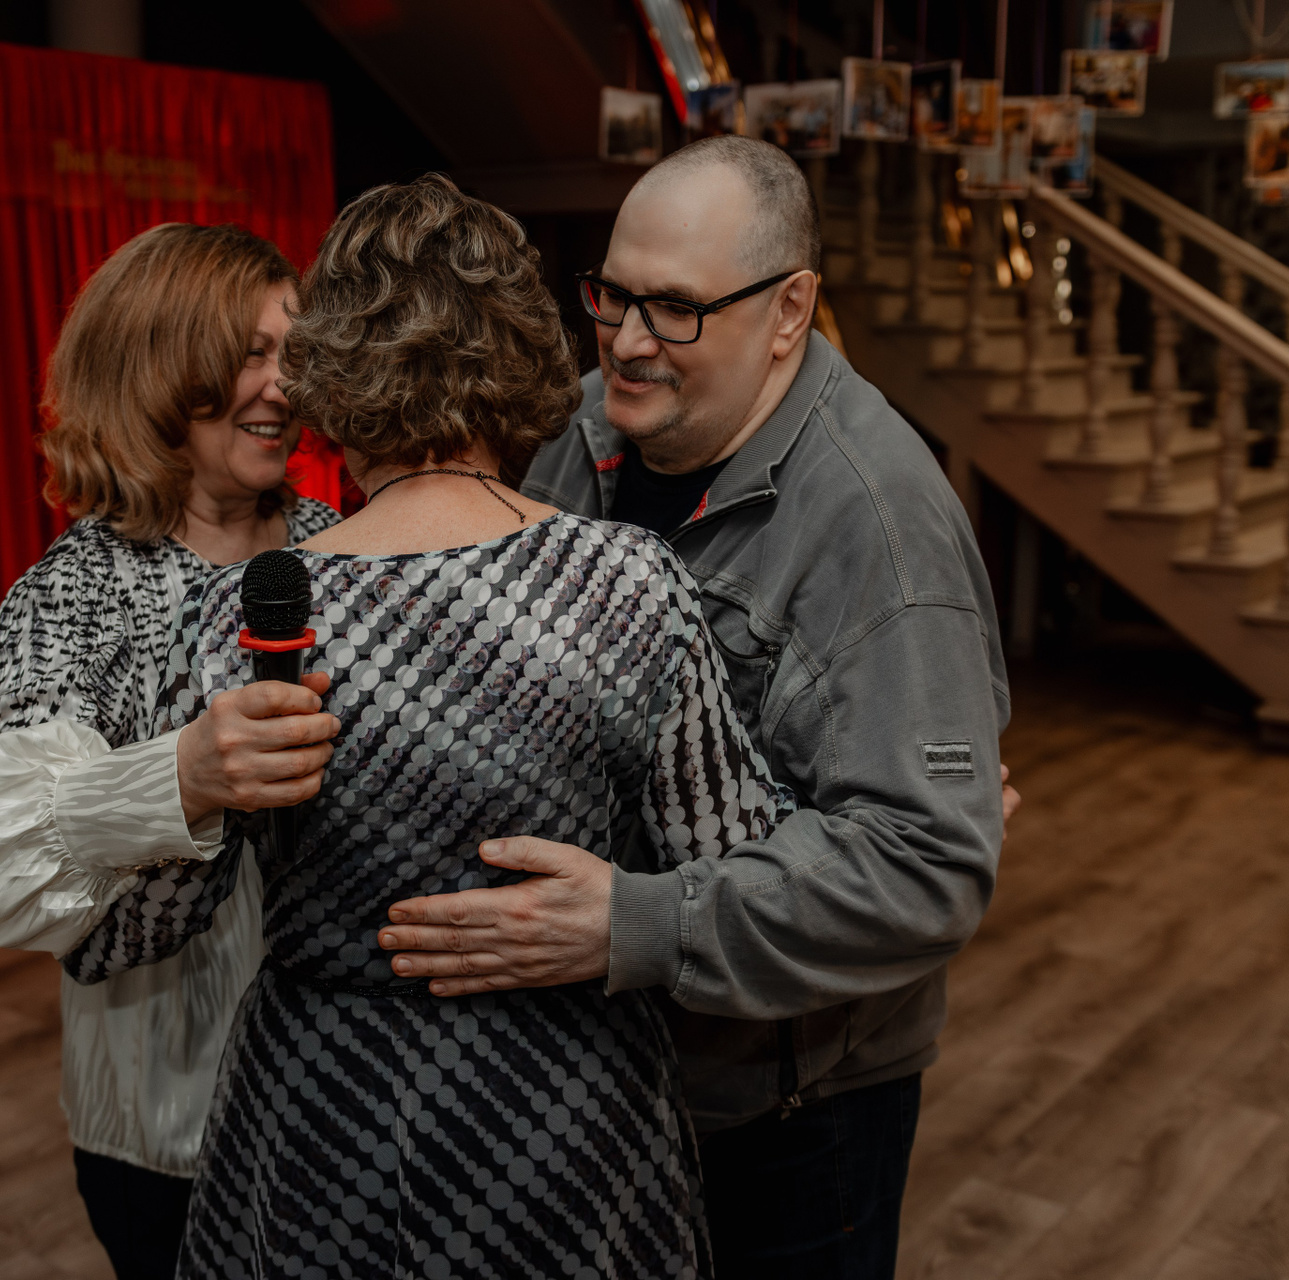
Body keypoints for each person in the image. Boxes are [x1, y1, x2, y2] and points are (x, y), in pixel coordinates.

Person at [59, 173, 797, 1278]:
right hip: (560, 1105)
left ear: (329, 371)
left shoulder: (245, 610)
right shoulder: (626, 583)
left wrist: (173, 785)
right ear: (521, 350)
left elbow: (123, 934)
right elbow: (736, 863)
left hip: (319, 1114)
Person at [375, 136, 1016, 1278]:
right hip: (594, 1075)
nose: (628, 340)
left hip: (786, 1118)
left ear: (788, 311)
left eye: (675, 309)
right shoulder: (577, 431)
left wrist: (632, 923)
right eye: (612, 295)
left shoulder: (877, 521)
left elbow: (924, 865)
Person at [0, 222, 343, 1280]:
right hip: (176, 1135)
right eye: (249, 353)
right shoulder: (81, 595)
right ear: (160, 370)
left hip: (349, 1109)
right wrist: (182, 777)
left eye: (293, 353)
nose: (283, 386)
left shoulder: (338, 544)